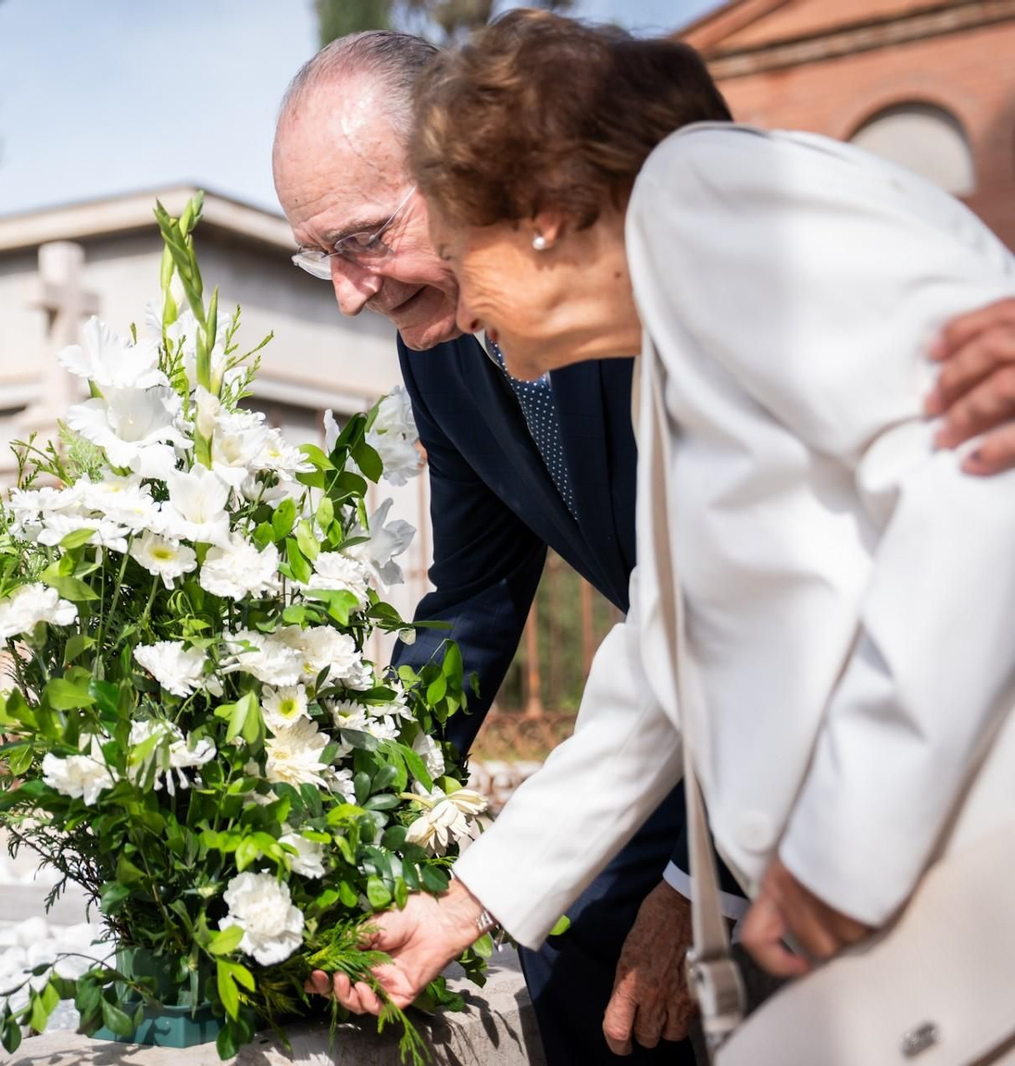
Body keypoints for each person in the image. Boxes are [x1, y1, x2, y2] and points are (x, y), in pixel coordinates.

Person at [273, 29, 1015, 1063]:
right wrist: (466, 902)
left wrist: (842, 852)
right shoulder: (665, 325)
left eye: (429, 225)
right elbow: (665, 647)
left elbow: (969, 491)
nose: (444, 305)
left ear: (532, 211)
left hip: (954, 850)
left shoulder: (705, 194)